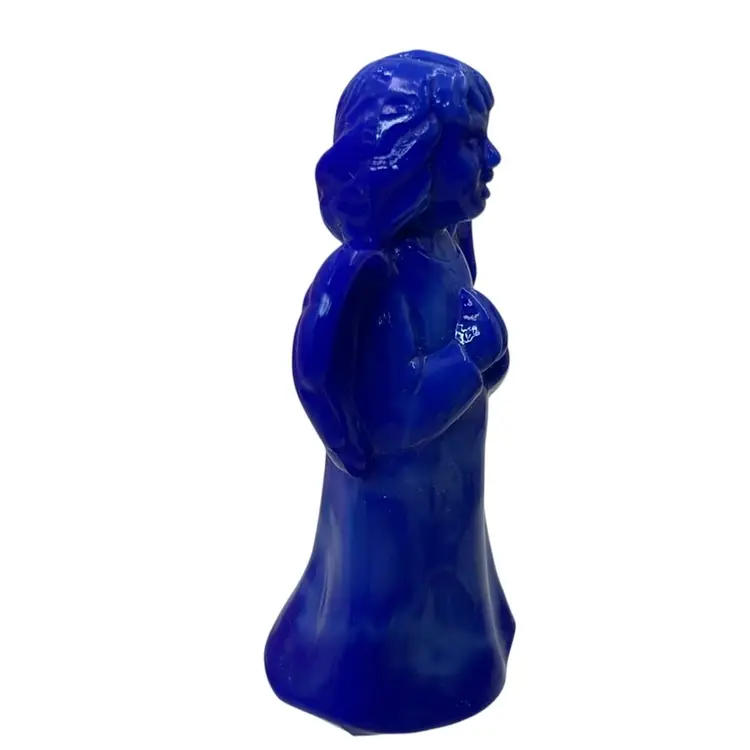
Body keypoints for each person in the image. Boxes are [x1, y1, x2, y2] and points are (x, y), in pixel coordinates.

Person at [265, 50, 515, 735]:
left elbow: (470, 370)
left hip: (447, 484)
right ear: (412, 159)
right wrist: (473, 355)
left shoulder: (445, 250)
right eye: (471, 143)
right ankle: (377, 685)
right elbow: (395, 414)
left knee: (451, 566)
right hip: (392, 505)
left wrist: (486, 361)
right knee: (394, 593)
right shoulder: (379, 281)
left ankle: (460, 652)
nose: (493, 158)